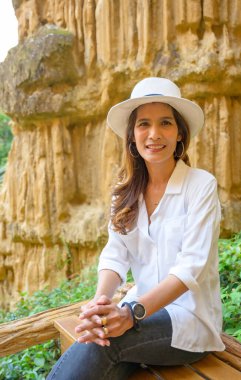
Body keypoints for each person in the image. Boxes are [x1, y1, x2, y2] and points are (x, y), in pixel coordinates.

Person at [47, 77, 225, 380]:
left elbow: (190, 268)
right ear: (132, 134)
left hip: (189, 321)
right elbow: (115, 254)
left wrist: (131, 314)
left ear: (180, 132)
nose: (154, 134)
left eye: (165, 123)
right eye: (144, 124)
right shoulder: (124, 191)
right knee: (100, 340)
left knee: (104, 343)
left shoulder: (200, 185)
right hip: (139, 315)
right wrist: (100, 303)